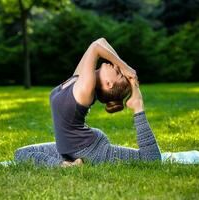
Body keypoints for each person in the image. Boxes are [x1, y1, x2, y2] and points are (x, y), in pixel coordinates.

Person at [14, 38, 161, 167]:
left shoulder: (86, 88)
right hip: (71, 149)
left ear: (109, 84)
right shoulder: (80, 80)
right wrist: (125, 67)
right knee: (21, 154)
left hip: (90, 150)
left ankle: (137, 104)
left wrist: (126, 69)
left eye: (118, 72)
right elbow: (101, 41)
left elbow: (96, 47)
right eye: (118, 69)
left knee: (150, 159)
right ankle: (67, 164)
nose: (116, 66)